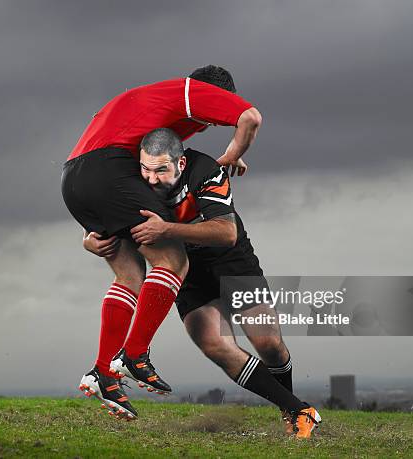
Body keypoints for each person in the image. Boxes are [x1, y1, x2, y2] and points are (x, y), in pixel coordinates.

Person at [84, 128, 322, 438]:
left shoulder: (204, 170)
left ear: (180, 164)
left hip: (229, 259)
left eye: (160, 170)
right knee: (214, 344)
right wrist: (90, 241)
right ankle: (297, 411)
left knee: (268, 344)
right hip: (184, 269)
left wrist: (166, 229)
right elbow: (104, 219)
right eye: (145, 169)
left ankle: (289, 406)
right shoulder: (132, 180)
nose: (151, 179)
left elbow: (227, 232)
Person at [62, 66, 262, 419]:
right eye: (215, 116)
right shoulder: (191, 91)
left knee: (129, 275)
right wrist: (234, 151)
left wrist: (91, 233)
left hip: (75, 178)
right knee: (173, 259)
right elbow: (249, 117)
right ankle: (134, 354)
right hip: (109, 169)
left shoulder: (154, 106)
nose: (213, 123)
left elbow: (103, 173)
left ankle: (103, 374)